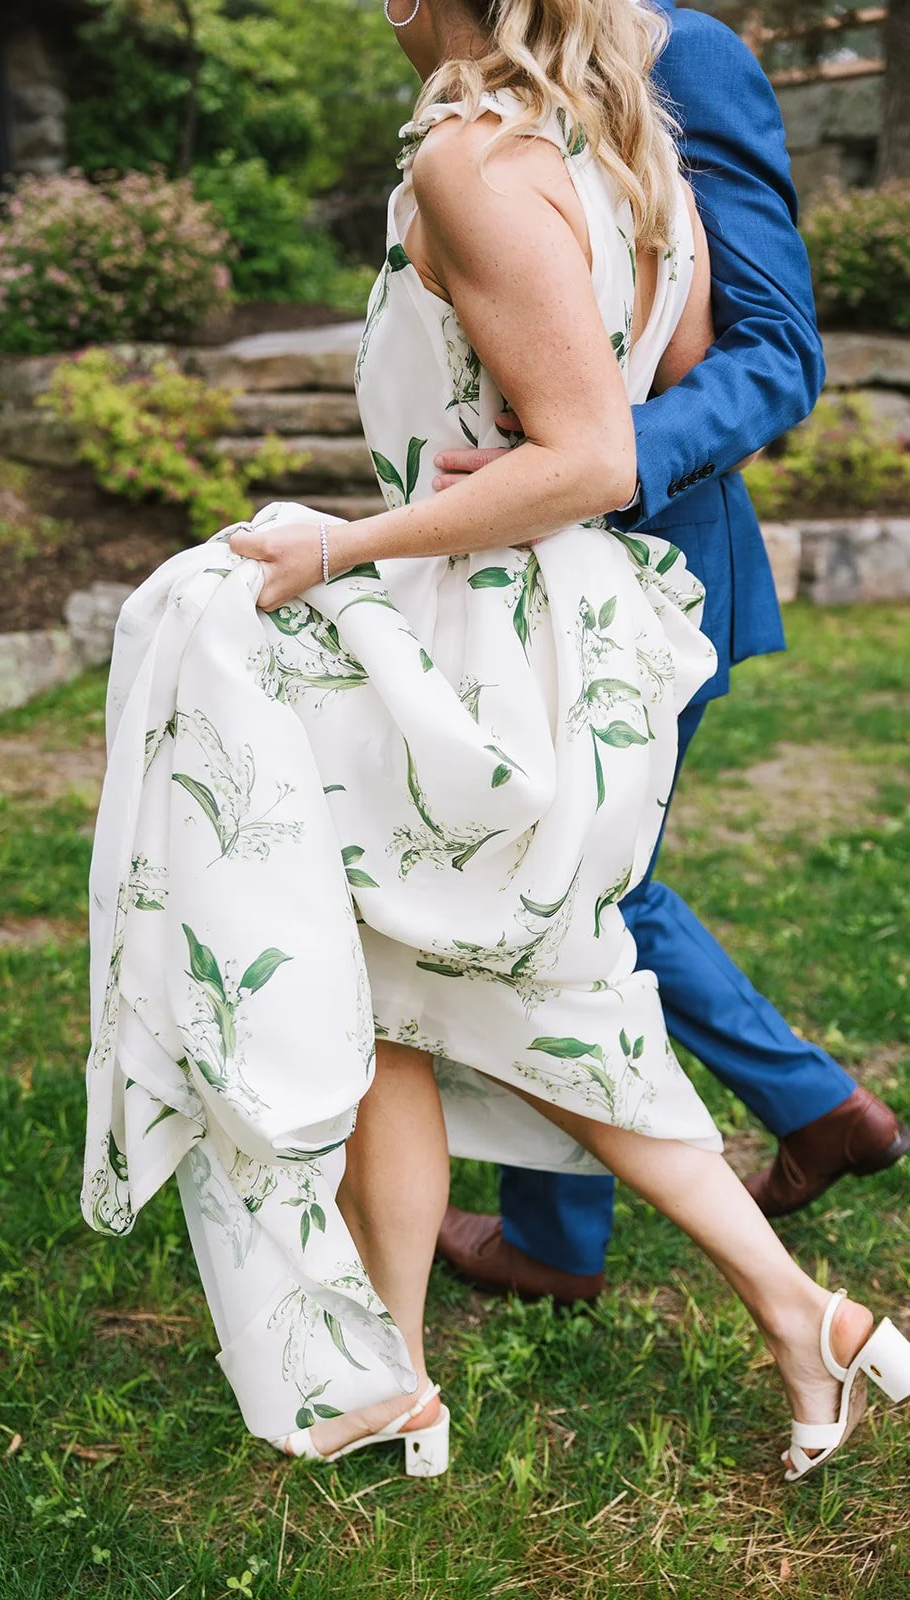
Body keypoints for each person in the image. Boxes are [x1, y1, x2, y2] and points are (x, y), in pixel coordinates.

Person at [81, 0, 910, 1484]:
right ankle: (404, 1367)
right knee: (426, 979)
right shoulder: (621, 151)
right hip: (568, 630)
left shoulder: (475, 159)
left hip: (485, 634)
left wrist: (343, 550)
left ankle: (784, 1317)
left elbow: (589, 452)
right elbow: (666, 369)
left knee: (511, 984)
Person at [431, 0, 910, 1308]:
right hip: (498, 562)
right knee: (573, 874)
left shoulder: (682, 53)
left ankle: (559, 1231)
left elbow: (776, 349)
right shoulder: (465, 69)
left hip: (649, 561)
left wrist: (596, 467)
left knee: (563, 880)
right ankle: (804, 1116)